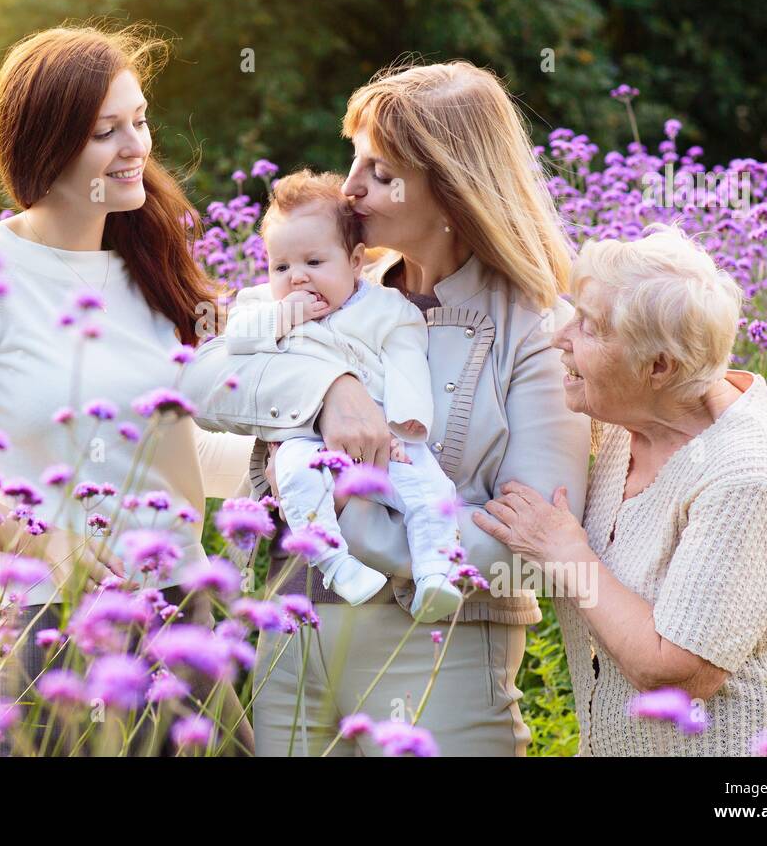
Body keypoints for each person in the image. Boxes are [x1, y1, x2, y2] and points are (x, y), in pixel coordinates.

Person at [186, 60, 592, 755]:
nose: (349, 189)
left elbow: (529, 539)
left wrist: (349, 522)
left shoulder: (538, 329)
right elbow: (203, 386)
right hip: (295, 637)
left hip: (442, 655)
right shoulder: (333, 283)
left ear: (449, 185)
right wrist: (329, 389)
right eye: (354, 161)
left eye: (378, 171)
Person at [0, 23, 255, 755]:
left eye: (140, 121)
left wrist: (293, 463)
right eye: (106, 131)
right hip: (52, 625)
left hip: (182, 617)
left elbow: (174, 449)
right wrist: (53, 546)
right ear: (46, 146)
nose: (137, 148)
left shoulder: (152, 264)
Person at [474, 225, 767, 755]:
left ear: (658, 366)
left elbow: (675, 675)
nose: (560, 338)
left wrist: (567, 553)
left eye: (588, 327)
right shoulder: (627, 418)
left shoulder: (743, 478)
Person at [223, 170, 463, 621]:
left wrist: (401, 425)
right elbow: (235, 342)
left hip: (380, 438)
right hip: (303, 437)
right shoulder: (262, 307)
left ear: (355, 262)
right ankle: (334, 564)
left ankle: (435, 571)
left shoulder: (385, 309)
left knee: (430, 489)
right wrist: (282, 317)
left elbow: (407, 364)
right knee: (294, 479)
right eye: (281, 267)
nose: (296, 278)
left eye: (314, 263)